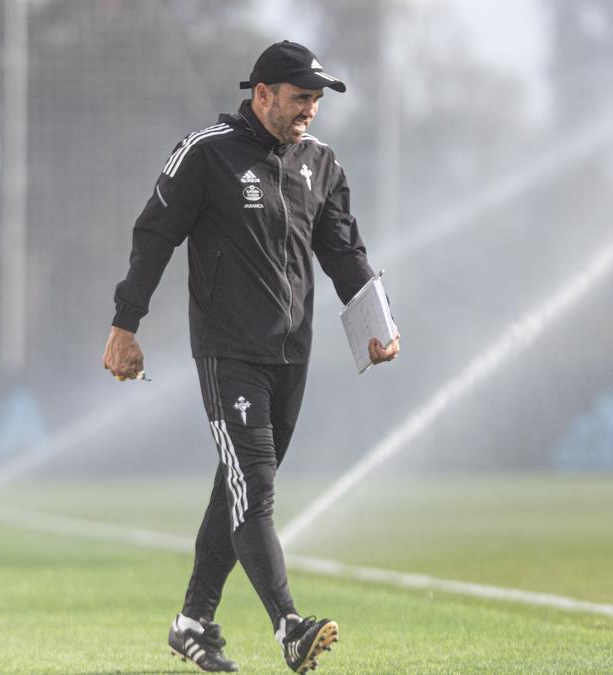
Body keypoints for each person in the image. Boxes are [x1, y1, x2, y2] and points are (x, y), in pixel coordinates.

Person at [103, 40, 399, 673]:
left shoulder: (321, 164)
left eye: (316, 100)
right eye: (299, 98)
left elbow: (344, 250)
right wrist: (126, 323)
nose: (309, 111)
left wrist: (377, 323)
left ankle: (192, 621)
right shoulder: (206, 152)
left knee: (238, 488)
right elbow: (154, 234)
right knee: (255, 487)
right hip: (227, 350)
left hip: (293, 354)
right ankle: (290, 625)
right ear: (261, 95)